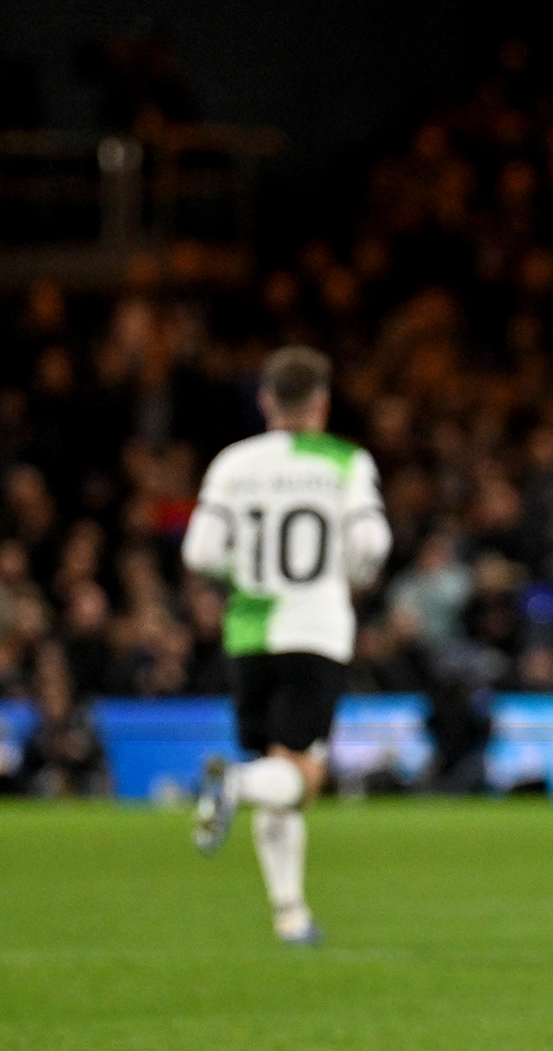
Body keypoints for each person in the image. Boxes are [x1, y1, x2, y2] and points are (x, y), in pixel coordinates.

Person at [181, 346, 392, 945]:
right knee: (301, 775)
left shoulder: (232, 463)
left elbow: (198, 552)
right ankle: (237, 786)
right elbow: (372, 544)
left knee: (279, 764)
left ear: (266, 401)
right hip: (316, 630)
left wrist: (243, 576)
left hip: (248, 632)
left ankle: (290, 914)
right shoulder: (346, 462)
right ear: (321, 403)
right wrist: (350, 573)